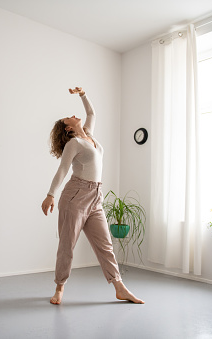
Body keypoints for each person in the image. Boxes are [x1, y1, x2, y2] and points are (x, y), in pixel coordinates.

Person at [41, 87, 145, 305]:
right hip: (75, 196)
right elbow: (62, 170)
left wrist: (82, 94)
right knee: (67, 245)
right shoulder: (74, 144)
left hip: (95, 196)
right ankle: (59, 288)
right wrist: (50, 195)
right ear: (68, 127)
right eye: (69, 117)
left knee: (105, 244)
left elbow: (92, 114)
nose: (74, 114)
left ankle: (119, 287)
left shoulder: (88, 136)